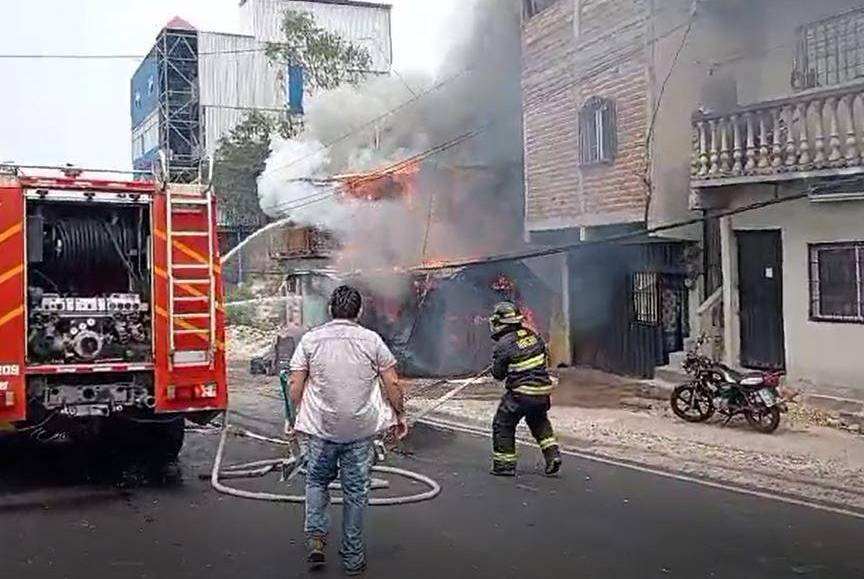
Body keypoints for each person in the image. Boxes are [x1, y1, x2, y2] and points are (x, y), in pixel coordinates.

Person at [288, 285, 408, 575]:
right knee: (355, 493)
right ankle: (353, 558)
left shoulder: (311, 340)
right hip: (360, 432)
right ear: (359, 311)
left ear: (330, 310)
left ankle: (316, 539)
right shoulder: (372, 340)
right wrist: (400, 414)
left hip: (321, 429)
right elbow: (392, 383)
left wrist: (295, 418)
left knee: (316, 482)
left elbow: (295, 385)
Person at [488, 301, 562, 477]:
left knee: (503, 423)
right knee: (539, 422)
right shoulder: (533, 335)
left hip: (521, 394)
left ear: (501, 323)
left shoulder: (503, 344)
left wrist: (496, 364)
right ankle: (553, 456)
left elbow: (498, 375)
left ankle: (504, 465)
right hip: (542, 392)